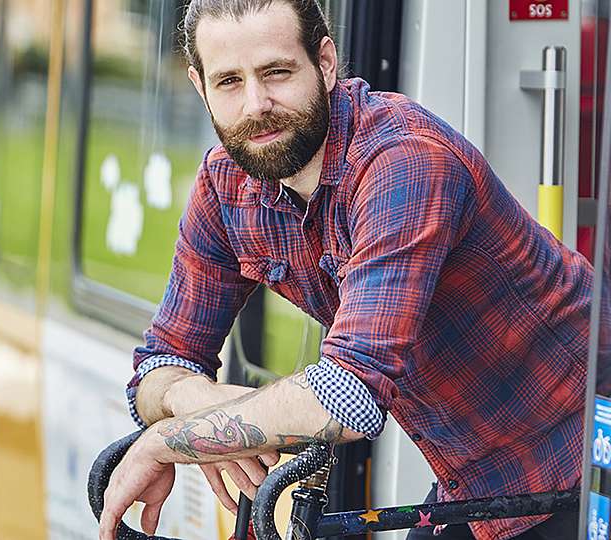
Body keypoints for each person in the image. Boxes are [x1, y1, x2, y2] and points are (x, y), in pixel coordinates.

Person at [98, 1, 592, 539]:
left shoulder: (402, 159)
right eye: (229, 82)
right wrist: (199, 409)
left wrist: (171, 440)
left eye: (276, 73)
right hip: (480, 476)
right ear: (200, 87)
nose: (255, 104)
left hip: (584, 450)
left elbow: (349, 397)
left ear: (326, 63)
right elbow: (159, 363)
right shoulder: (226, 185)